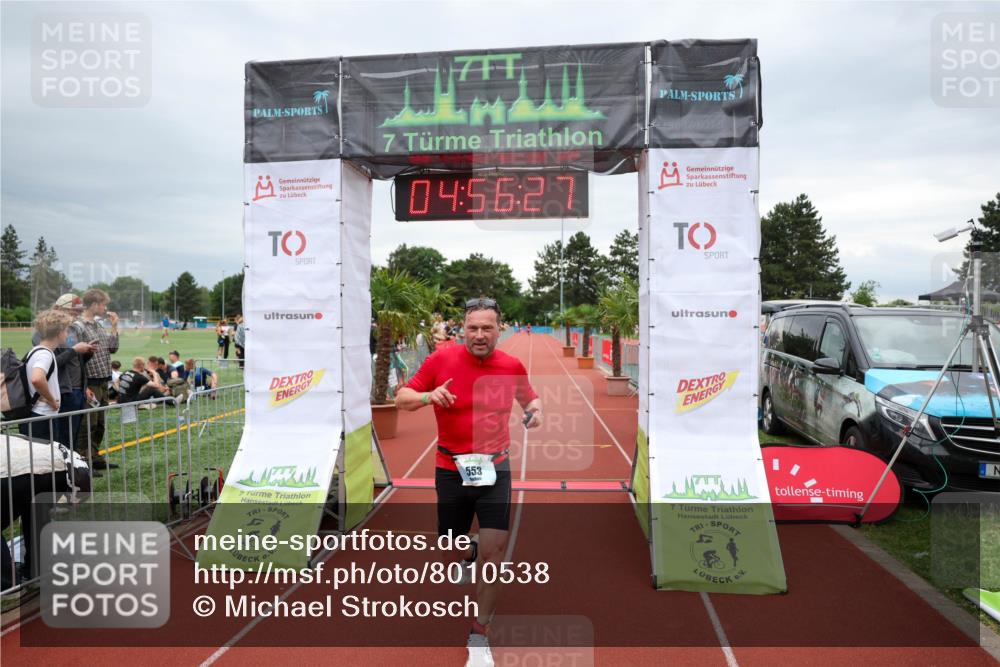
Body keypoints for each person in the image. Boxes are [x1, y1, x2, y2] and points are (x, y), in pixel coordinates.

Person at [395, 297, 542, 665]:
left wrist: (535, 414)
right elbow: (401, 398)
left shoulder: (511, 366)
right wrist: (428, 395)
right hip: (450, 469)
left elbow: (531, 401)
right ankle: (467, 551)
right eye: (473, 327)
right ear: (463, 329)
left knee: (495, 552)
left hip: (496, 469)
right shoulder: (440, 360)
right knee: (450, 546)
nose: (479, 334)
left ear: (498, 329)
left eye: (487, 328)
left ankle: (479, 633)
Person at [30, 294, 96, 452]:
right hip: (63, 392)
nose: (77, 314)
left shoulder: (73, 329)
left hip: (78, 390)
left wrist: (87, 352)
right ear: (59, 308)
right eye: (73, 310)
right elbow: (51, 363)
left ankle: (72, 464)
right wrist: (74, 350)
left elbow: (76, 362)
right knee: (62, 438)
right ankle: (64, 466)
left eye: (78, 311)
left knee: (73, 435)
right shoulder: (42, 332)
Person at [74, 289, 119, 470]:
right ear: (94, 304)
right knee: (88, 423)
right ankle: (83, 461)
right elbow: (76, 358)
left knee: (100, 423)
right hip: (90, 381)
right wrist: (83, 385)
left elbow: (112, 348)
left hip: (103, 380)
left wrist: (114, 326)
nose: (105, 308)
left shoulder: (99, 325)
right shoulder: (78, 326)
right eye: (103, 304)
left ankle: (94, 456)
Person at [19, 309, 74, 443]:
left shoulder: (36, 351)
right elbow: (37, 379)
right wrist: (51, 401)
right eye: (66, 330)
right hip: (42, 416)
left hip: (37, 414)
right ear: (58, 333)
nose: (67, 334)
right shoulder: (45, 354)